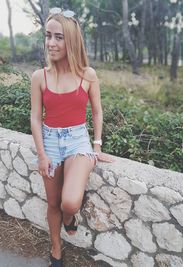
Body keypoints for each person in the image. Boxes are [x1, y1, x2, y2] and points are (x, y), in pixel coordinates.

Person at [30, 7, 113, 267]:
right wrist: (42, 154)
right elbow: (35, 118)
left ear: (72, 40)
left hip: (78, 141)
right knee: (53, 202)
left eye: (58, 37)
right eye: (48, 36)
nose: (51, 43)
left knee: (69, 202)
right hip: (50, 141)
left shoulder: (88, 75)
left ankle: (69, 219)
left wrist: (97, 144)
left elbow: (97, 113)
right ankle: (56, 248)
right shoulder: (39, 76)